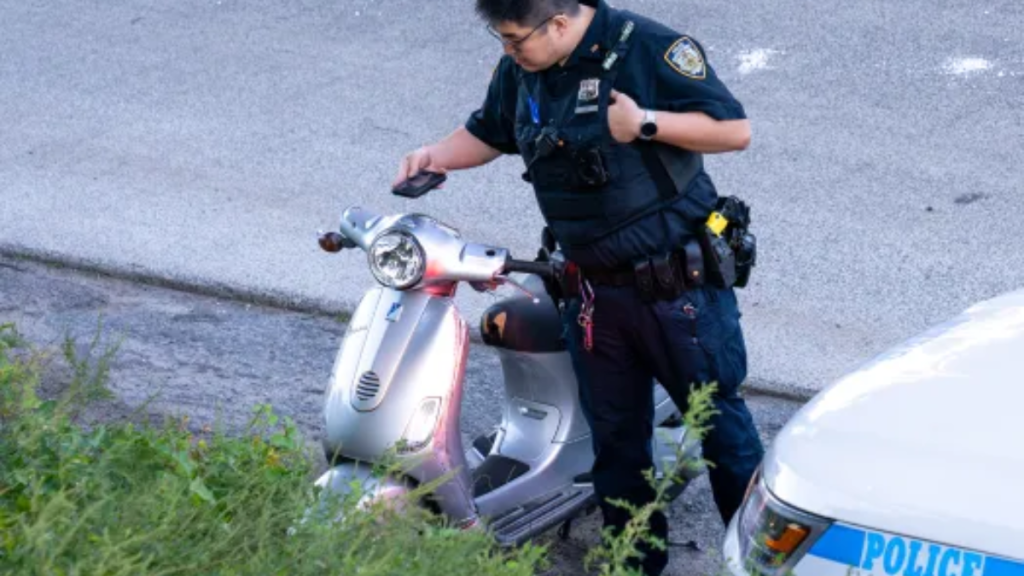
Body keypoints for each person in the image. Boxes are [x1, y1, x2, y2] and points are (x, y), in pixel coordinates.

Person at [393, 0, 765, 573]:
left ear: (560, 23)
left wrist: (644, 123)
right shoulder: (524, 67)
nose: (508, 51)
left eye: (516, 39)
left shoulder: (647, 48)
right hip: (592, 295)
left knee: (720, 430)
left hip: (676, 294)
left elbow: (734, 130)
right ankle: (634, 562)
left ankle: (761, 561)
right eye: (503, 40)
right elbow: (490, 130)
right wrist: (436, 156)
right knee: (615, 443)